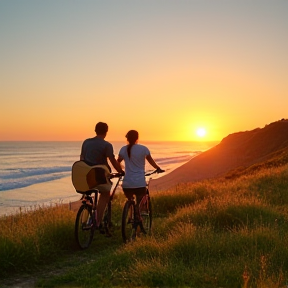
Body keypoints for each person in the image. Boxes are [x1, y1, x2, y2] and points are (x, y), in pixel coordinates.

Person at [80, 122, 124, 230]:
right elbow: (113, 161)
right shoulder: (107, 145)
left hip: (87, 175)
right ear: (106, 132)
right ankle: (97, 221)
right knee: (105, 194)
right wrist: (121, 171)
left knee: (90, 191)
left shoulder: (86, 142)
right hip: (101, 175)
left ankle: (87, 209)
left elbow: (81, 158)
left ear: (95, 130)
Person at [117, 130, 163, 218]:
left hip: (127, 183)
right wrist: (158, 168)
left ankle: (131, 214)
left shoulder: (123, 149)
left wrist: (121, 171)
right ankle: (139, 215)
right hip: (139, 183)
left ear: (127, 138)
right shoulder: (143, 149)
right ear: (137, 138)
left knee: (130, 199)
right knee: (140, 201)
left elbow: (117, 162)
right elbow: (151, 161)